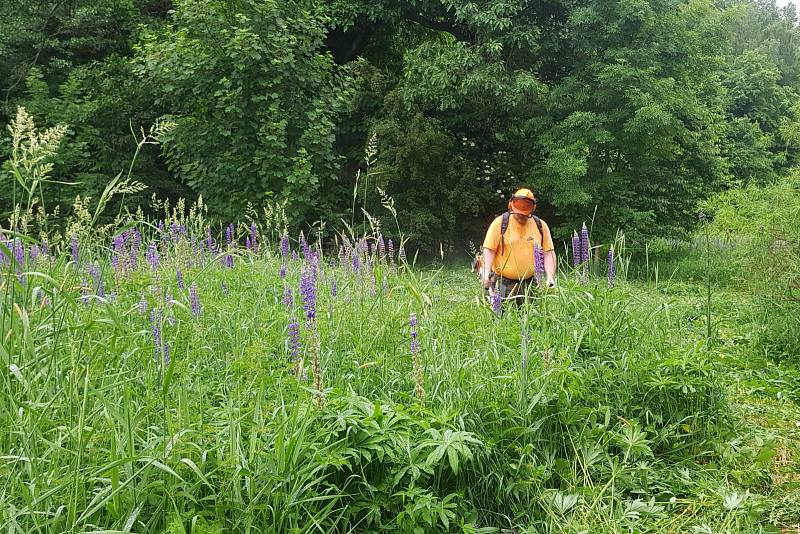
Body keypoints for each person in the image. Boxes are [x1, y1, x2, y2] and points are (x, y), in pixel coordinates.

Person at [480, 188, 556, 304]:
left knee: (531, 320)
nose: (521, 216)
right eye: (518, 213)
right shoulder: (500, 223)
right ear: (511, 206)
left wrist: (550, 277)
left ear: (532, 210)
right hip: (503, 284)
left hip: (531, 284)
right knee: (502, 320)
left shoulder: (540, 226)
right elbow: (489, 250)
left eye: (525, 214)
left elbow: (548, 253)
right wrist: (486, 273)